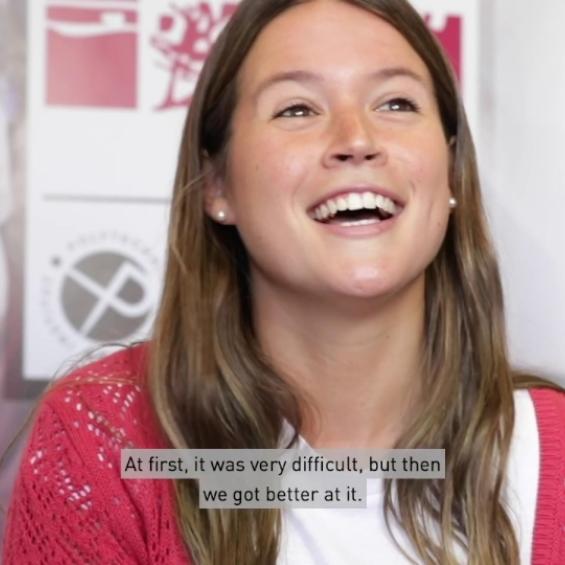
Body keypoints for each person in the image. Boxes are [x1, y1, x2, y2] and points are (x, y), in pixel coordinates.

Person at [2, 0, 564, 563]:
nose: (357, 138)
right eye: (297, 109)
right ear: (217, 185)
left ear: (450, 169)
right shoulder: (106, 440)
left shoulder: (552, 451)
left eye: (396, 102)